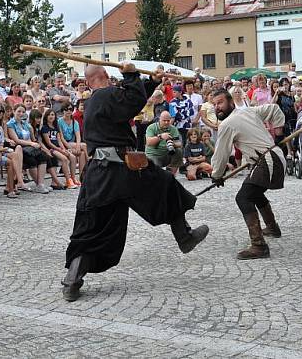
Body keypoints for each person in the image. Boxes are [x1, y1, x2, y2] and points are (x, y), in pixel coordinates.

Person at [61, 63, 208, 302]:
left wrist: (151, 81)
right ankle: (184, 236)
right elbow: (129, 99)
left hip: (99, 174)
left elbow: (129, 101)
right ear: (106, 76)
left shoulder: (94, 102)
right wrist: (131, 74)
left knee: (93, 227)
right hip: (123, 167)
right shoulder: (107, 94)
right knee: (166, 186)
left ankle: (72, 281)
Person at [210, 88, 286, 260]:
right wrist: (279, 134)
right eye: (214, 105)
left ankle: (259, 246)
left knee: (243, 197)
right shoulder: (249, 111)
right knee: (255, 193)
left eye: (220, 102)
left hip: (266, 160)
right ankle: (272, 227)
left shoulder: (227, 124)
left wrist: (216, 175)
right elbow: (274, 109)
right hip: (271, 158)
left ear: (230, 102)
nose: (217, 107)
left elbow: (221, 153)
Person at [7, 104, 49, 193]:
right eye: (19, 111)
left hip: (29, 146)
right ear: (14, 111)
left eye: (23, 112)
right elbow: (16, 140)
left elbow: (30, 137)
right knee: (31, 160)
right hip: (19, 148)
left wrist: (33, 143)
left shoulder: (25, 123)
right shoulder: (10, 124)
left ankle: (40, 184)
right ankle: (38, 184)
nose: (21, 113)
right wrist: (31, 144)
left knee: (43, 156)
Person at [41, 108, 76, 189]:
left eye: (53, 114)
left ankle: (73, 178)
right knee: (64, 159)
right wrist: (60, 150)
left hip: (58, 147)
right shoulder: (44, 128)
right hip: (51, 149)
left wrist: (63, 149)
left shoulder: (56, 127)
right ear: (46, 116)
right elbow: (49, 143)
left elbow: (59, 140)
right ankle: (68, 180)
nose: (51, 116)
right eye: (49, 115)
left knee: (73, 157)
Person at [59, 105, 87, 181]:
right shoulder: (59, 121)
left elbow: (78, 136)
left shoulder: (74, 121)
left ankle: (82, 176)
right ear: (63, 111)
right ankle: (91, 164)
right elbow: (61, 138)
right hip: (63, 144)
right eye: (66, 109)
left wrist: (77, 146)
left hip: (72, 143)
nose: (69, 111)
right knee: (84, 145)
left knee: (82, 153)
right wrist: (70, 148)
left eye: (70, 109)